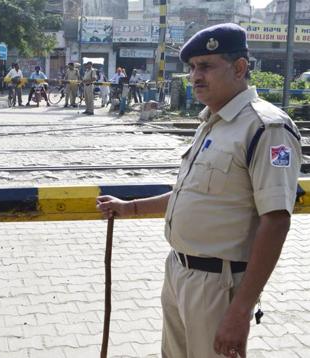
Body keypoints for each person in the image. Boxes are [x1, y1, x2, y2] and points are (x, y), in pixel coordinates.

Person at [96, 23, 302, 358]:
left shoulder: (266, 128)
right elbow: (189, 194)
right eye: (192, 68)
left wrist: (240, 311)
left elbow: (276, 221)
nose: (195, 76)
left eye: (205, 66)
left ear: (239, 68)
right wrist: (129, 207)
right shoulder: (213, 122)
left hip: (218, 286)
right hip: (178, 272)